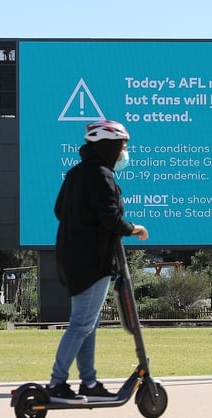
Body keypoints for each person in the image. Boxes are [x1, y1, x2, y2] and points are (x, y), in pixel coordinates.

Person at [48, 119, 149, 403]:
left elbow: (60, 210)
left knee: (88, 323)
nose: (124, 153)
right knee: (82, 323)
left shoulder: (76, 174)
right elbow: (110, 218)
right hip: (92, 262)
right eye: (122, 146)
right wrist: (134, 228)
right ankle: (57, 383)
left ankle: (89, 382)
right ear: (109, 146)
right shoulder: (101, 176)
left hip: (72, 259)